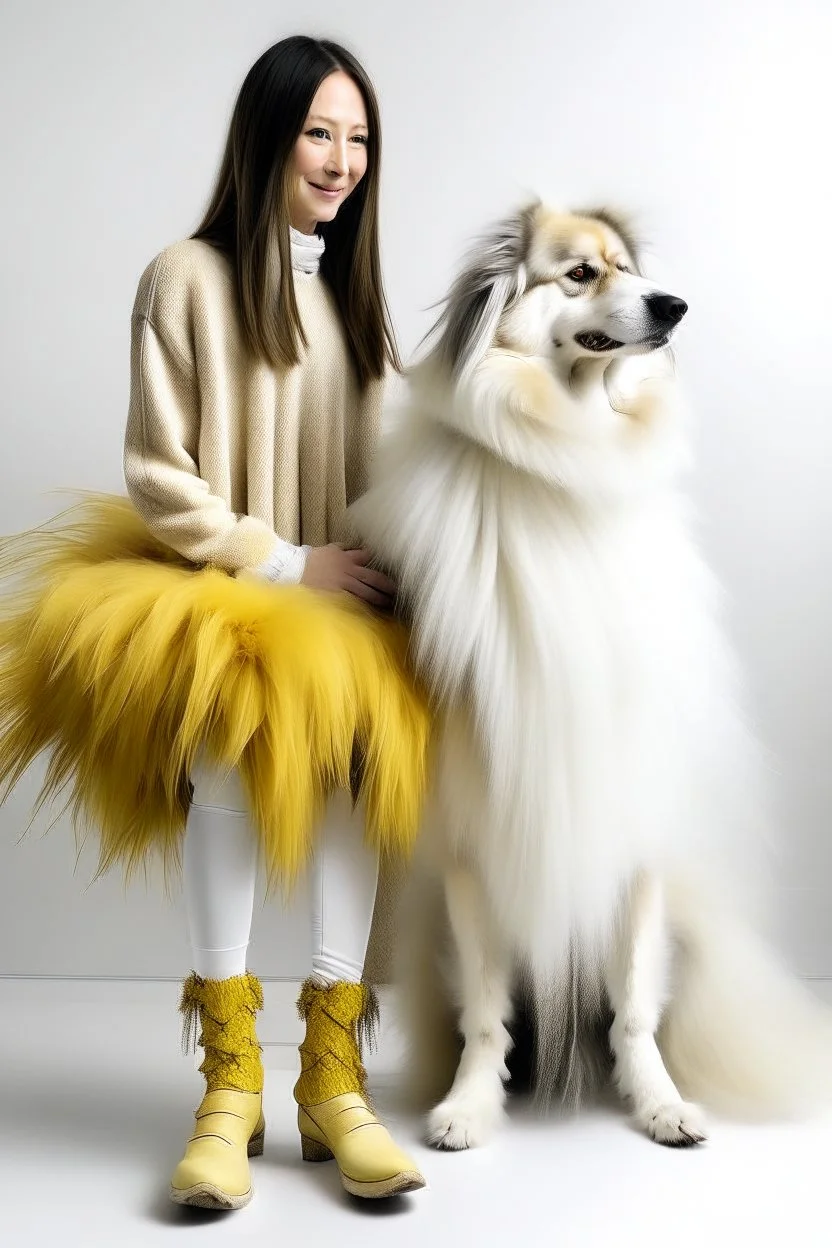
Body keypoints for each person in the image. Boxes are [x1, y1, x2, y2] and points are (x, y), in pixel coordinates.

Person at [0, 35, 428, 1208]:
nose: (341, 160)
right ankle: (230, 1083)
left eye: (358, 138)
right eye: (318, 133)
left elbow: (395, 471)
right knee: (228, 776)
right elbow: (156, 470)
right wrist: (285, 561)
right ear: (268, 135)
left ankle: (332, 1077)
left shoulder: (357, 307)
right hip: (232, 590)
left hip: (345, 604)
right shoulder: (182, 277)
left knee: (352, 780)